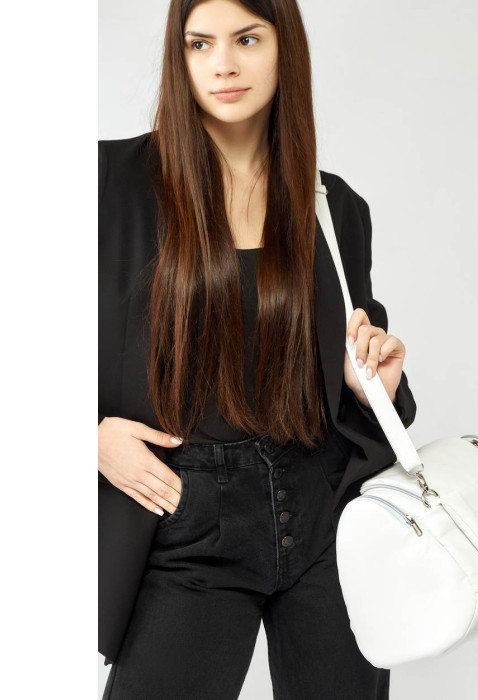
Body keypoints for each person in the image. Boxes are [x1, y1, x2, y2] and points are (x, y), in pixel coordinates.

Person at [98, 1, 417, 697]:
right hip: (184, 511)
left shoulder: (335, 208)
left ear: (283, 49)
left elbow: (357, 382)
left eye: (246, 39)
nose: (223, 64)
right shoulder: (105, 184)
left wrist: (373, 386)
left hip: (326, 514)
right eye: (200, 43)